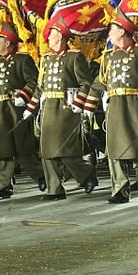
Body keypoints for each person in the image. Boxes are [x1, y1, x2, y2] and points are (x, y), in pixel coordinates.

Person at [83, 11, 138, 203]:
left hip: (135, 106)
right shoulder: (108, 56)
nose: (109, 34)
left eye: (112, 30)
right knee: (114, 149)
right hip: (115, 106)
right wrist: (89, 103)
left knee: (136, 150)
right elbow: (100, 81)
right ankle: (120, 189)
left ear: (122, 31)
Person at [37, 11, 97, 199]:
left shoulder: (74, 57)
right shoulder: (46, 58)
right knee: (47, 151)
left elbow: (85, 83)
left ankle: (86, 173)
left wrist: (79, 103)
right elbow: (40, 86)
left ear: (61, 36)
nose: (49, 37)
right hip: (48, 108)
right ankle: (55, 189)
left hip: (66, 109)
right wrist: (33, 106)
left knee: (65, 151)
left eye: (53, 34)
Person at [0, 22, 43, 200]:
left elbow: (33, 81)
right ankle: (3, 187)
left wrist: (23, 96)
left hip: (14, 110)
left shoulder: (22, 60)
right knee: (2, 151)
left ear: (7, 43)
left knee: (24, 151)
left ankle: (41, 176)